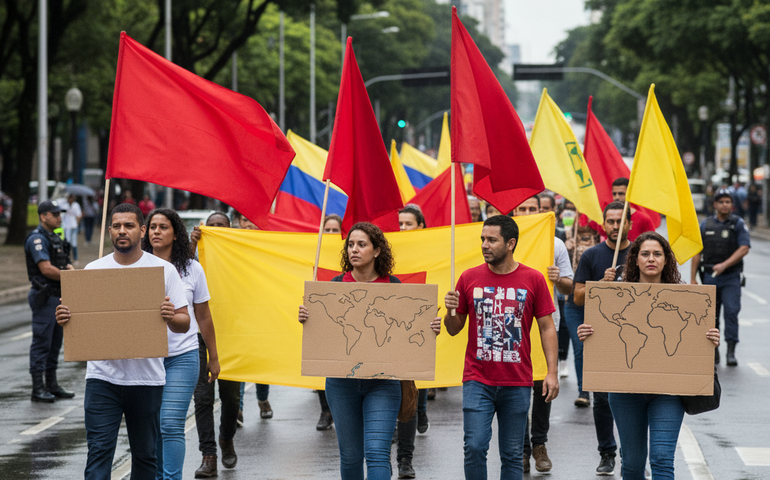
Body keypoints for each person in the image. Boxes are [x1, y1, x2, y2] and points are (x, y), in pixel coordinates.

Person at [55, 203, 190, 479]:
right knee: (99, 455)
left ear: (141, 230)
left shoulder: (164, 271)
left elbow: (184, 322)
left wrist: (169, 316)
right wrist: (66, 316)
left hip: (147, 381)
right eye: (116, 226)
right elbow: (79, 321)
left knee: (145, 457)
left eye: (129, 225)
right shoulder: (93, 270)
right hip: (102, 379)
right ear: (109, 231)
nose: (122, 231)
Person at [298, 222, 441, 480]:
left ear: (376, 251)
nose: (354, 249)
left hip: (383, 384)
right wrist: (309, 317)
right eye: (351, 244)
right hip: (342, 384)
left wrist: (429, 326)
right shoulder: (334, 286)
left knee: (376, 452)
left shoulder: (394, 287)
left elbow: (410, 332)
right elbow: (325, 335)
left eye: (361, 244)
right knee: (351, 456)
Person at [578, 231, 721, 480]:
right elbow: (604, 339)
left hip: (669, 391)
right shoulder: (615, 296)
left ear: (667, 260)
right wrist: (588, 332)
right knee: (632, 464)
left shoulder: (687, 298)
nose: (651, 259)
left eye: (657, 254)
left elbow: (694, 345)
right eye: (645, 254)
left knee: (662, 460)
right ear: (635, 259)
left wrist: (711, 340)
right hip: (624, 392)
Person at [443, 214, 559, 479]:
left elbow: (547, 327)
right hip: (477, 380)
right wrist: (450, 311)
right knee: (473, 447)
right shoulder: (468, 277)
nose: (484, 244)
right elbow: (453, 328)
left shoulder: (534, 279)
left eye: (492, 240)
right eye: (482, 239)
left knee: (512, 455)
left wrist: (552, 372)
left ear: (510, 243)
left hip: (517, 382)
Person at [141, 208, 222, 479]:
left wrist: (213, 355)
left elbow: (204, 316)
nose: (157, 232)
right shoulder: (136, 266)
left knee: (170, 423)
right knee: (151, 425)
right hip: (145, 359)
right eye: (152, 227)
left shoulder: (192, 268)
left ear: (176, 234)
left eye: (163, 227)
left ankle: (171, 477)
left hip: (182, 356)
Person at [568, 201, 631, 475]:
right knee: (602, 400)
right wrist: (601, 285)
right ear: (603, 224)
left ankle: (633, 454)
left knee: (633, 400)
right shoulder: (591, 256)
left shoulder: (643, 253)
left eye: (621, 221)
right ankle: (607, 452)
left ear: (630, 223)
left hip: (634, 340)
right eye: (611, 221)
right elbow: (577, 296)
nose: (615, 226)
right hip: (601, 338)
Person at [513, 196, 573, 474]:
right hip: (510, 322)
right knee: (516, 387)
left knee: (542, 384)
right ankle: (522, 448)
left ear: (541, 212)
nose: (526, 213)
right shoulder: (505, 240)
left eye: (531, 209)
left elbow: (569, 289)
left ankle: (539, 444)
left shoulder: (556, 244)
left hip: (544, 322)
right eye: (521, 209)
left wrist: (558, 278)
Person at [189, 212, 242, 478]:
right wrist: (192, 245)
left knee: (232, 398)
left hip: (231, 337)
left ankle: (226, 437)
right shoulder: (194, 259)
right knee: (202, 398)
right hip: (199, 336)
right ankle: (208, 455)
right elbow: (178, 272)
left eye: (222, 227)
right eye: (213, 227)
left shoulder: (239, 260)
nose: (217, 230)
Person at [691, 188, 750, 366]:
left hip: (731, 277)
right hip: (710, 277)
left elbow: (744, 247)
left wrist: (725, 264)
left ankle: (731, 351)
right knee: (711, 316)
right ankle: (714, 350)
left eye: (728, 202)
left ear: (732, 205)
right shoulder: (706, 225)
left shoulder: (737, 224)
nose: (725, 205)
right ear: (715, 204)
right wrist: (693, 278)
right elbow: (697, 253)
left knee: (731, 312)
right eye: (721, 202)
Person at [24, 200, 75, 403]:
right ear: (43, 216)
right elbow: (45, 268)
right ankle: (38, 388)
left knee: (55, 343)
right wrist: (70, 276)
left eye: (59, 214)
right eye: (54, 214)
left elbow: (62, 261)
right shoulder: (37, 238)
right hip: (45, 296)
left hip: (58, 295)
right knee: (42, 343)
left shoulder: (54, 236)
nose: (58, 217)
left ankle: (51, 384)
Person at [395, 205, 431, 479]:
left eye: (408, 224)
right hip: (385, 331)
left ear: (421, 226)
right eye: (400, 224)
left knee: (409, 395)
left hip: (412, 331)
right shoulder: (386, 250)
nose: (403, 229)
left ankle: (405, 459)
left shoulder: (429, 249)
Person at [233, 211, 273, 421]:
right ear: (239, 222)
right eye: (245, 219)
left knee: (260, 360)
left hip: (262, 311)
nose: (248, 223)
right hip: (239, 311)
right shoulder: (230, 247)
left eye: (252, 219)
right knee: (240, 360)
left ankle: (263, 398)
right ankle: (238, 409)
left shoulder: (267, 245)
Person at [314, 213, 345, 432]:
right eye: (328, 230)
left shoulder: (350, 252)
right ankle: (326, 410)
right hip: (324, 318)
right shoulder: (314, 251)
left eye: (336, 230)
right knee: (323, 362)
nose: (332, 235)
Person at [610, 178, 655, 242]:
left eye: (621, 194)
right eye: (614, 194)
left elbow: (652, 243)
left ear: (629, 194)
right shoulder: (607, 218)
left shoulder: (643, 219)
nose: (617, 197)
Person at [62, 194, 82, 264]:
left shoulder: (76, 205)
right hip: (66, 226)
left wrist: (77, 223)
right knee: (67, 242)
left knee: (74, 243)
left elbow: (79, 215)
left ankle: (75, 258)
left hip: (73, 226)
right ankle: (67, 258)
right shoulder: (64, 205)